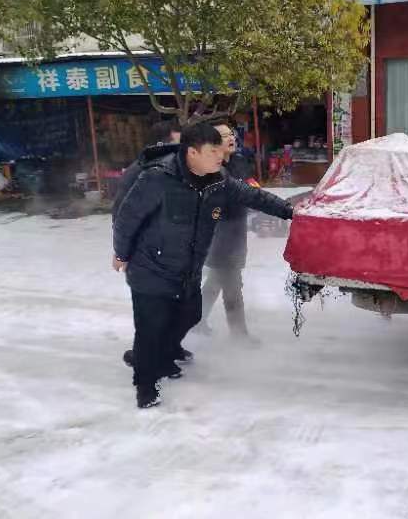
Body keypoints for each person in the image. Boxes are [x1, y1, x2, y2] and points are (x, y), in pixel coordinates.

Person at [112, 122, 293, 409]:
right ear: (192, 152)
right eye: (213, 152)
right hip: (150, 266)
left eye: (220, 151)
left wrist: (291, 211)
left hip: (187, 266)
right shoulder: (158, 178)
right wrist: (121, 254)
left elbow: (253, 196)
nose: (220, 157)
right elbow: (126, 218)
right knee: (150, 328)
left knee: (191, 314)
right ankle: (146, 388)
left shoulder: (218, 179)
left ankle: (164, 354)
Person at [198, 121, 257, 338]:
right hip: (218, 233)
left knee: (215, 281)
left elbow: (250, 187)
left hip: (238, 230)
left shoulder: (240, 161)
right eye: (224, 136)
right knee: (232, 284)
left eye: (231, 133)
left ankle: (195, 320)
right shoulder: (209, 169)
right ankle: (239, 334)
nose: (230, 138)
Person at [111, 119, 182, 218]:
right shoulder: (144, 171)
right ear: (161, 145)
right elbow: (121, 214)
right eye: (177, 145)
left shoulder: (171, 167)